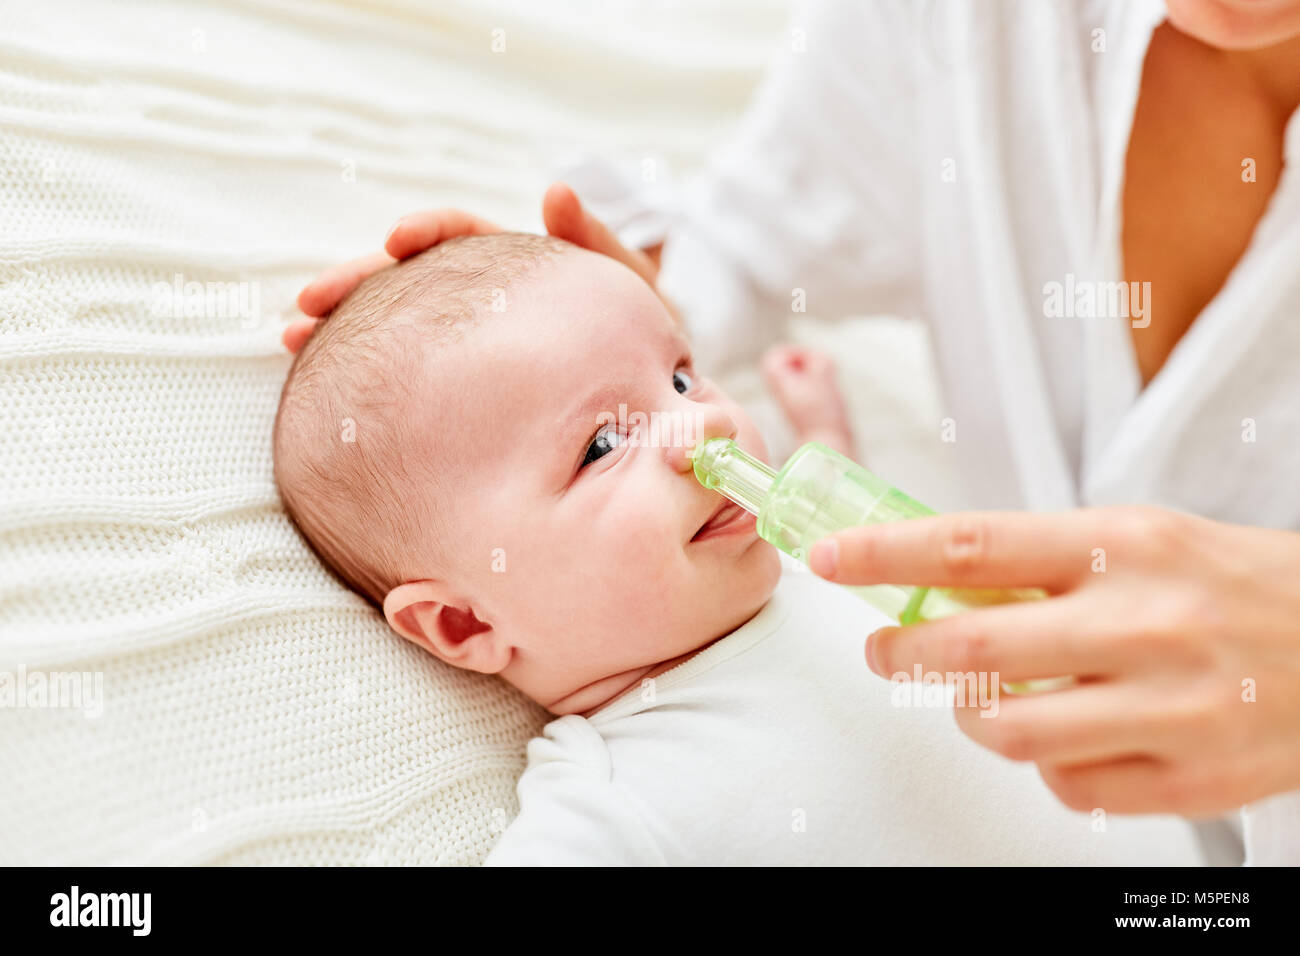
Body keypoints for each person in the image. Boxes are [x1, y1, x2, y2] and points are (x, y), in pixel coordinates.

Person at [286, 0, 1300, 863]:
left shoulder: (812, 574)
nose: (702, 424)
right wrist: (614, 307)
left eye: (685, 379)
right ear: (464, 626)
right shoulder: (618, 798)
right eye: (600, 443)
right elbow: (753, 243)